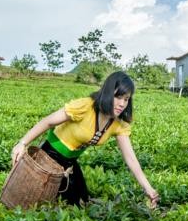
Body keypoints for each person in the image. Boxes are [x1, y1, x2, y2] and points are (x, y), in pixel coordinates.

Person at [11, 71, 160, 208]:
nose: (122, 104)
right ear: (108, 93)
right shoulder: (86, 106)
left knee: (80, 202)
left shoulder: (118, 123)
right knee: (33, 202)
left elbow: (131, 159)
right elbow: (48, 121)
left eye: (126, 99)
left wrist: (148, 188)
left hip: (69, 163)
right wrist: (22, 143)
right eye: (118, 97)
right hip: (48, 157)